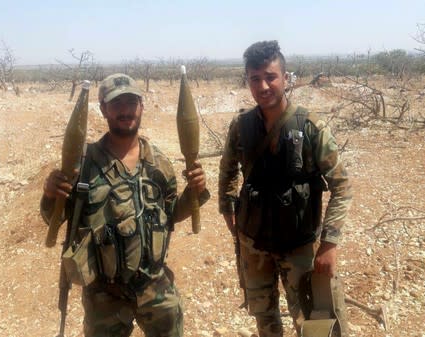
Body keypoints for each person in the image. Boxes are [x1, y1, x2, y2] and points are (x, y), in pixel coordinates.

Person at [41, 73, 209, 337]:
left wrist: (195, 192)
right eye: (116, 103)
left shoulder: (159, 163)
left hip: (155, 286)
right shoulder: (82, 165)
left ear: (141, 106)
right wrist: (51, 194)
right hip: (104, 295)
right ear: (103, 108)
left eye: (131, 102)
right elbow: (53, 217)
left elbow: (171, 214)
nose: (125, 110)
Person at [218, 40, 352, 337]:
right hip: (253, 244)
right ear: (248, 81)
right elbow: (227, 171)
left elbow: (341, 186)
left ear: (286, 78)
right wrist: (228, 210)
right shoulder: (241, 126)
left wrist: (329, 243)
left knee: (313, 321)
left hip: (299, 244)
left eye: (270, 76)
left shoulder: (310, 127)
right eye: (255, 78)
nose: (263, 86)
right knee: (264, 318)